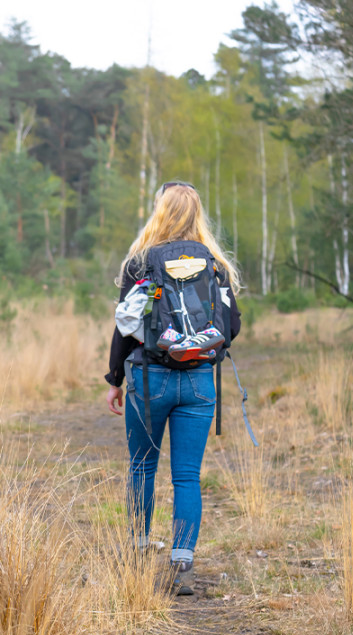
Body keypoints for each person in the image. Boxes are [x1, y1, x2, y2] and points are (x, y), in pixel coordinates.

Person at [105, 181, 241, 595]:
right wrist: (197, 345)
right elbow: (232, 327)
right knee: (187, 476)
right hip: (199, 382)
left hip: (150, 380)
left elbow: (126, 328)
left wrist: (115, 379)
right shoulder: (215, 264)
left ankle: (137, 552)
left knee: (142, 468)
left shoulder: (141, 263)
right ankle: (182, 564)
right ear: (198, 214)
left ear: (160, 211)